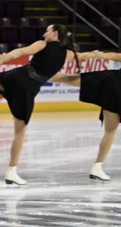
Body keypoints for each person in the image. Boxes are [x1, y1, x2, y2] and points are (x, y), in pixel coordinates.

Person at [0, 25, 75, 186]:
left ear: (55, 33)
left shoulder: (42, 44)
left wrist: (2, 59)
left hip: (16, 77)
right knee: (20, 131)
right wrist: (97, 54)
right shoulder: (69, 54)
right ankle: (12, 171)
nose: (44, 33)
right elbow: (86, 56)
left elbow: (20, 52)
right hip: (28, 88)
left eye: (48, 31)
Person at [51, 50, 121, 181]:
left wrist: (99, 55)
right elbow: (118, 56)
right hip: (114, 84)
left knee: (71, 79)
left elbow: (118, 56)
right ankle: (97, 167)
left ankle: (39, 74)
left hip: (110, 83)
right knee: (110, 131)